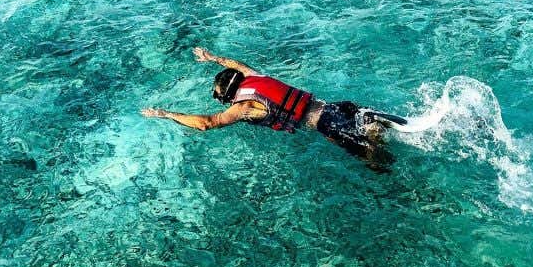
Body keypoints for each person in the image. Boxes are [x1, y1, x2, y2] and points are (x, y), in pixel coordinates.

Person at [141, 46, 407, 170]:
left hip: (327, 125)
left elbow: (207, 123)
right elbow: (236, 64)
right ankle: (370, 121)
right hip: (335, 107)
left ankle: (377, 146)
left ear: (230, 95)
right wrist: (212, 58)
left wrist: (167, 114)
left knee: (376, 163)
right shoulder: (253, 76)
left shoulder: (244, 106)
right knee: (361, 121)